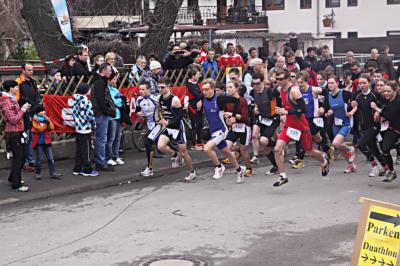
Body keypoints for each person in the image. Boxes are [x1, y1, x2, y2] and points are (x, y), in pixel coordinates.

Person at [273, 69, 329, 187]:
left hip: (301, 125)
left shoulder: (294, 91)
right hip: (289, 125)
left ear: (288, 79)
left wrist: (286, 111)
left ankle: (324, 161)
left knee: (310, 151)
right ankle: (283, 176)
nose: (278, 81)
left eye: (281, 79)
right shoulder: (279, 89)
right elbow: (275, 100)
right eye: (277, 79)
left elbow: (303, 109)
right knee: (278, 149)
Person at [199, 78, 246, 183]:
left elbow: (237, 101)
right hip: (212, 131)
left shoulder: (220, 99)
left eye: (206, 89)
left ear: (212, 89)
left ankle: (219, 167)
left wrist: (233, 115)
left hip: (221, 130)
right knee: (227, 152)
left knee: (207, 149)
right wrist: (198, 108)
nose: (204, 92)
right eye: (203, 90)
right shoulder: (203, 98)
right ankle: (239, 169)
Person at [154, 77, 196, 181]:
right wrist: (159, 119)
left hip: (178, 127)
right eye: (159, 87)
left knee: (184, 153)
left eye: (162, 87)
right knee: (160, 146)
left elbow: (180, 116)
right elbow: (159, 110)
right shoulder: (159, 98)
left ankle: (191, 172)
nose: (160, 89)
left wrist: (169, 122)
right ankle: (176, 155)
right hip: (168, 127)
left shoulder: (175, 99)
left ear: (168, 87)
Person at [351, 74, 387, 177]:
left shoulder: (375, 95)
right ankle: (386, 168)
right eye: (360, 83)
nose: (361, 85)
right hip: (363, 126)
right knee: (374, 150)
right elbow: (350, 106)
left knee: (360, 144)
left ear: (369, 83)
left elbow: (385, 106)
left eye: (364, 83)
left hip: (374, 126)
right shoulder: (357, 95)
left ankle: (374, 165)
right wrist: (352, 105)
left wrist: (377, 111)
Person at [1, 80, 31, 192]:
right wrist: (23, 109)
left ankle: (13, 178)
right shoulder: (7, 101)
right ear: (10, 89)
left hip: (18, 132)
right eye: (15, 87)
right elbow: (13, 119)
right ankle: (16, 184)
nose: (17, 89)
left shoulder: (11, 99)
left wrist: (23, 108)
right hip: (13, 133)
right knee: (18, 159)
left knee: (21, 157)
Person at [324, 76, 357, 173]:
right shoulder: (328, 96)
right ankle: (351, 165)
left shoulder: (345, 93)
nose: (330, 85)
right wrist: (327, 113)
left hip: (346, 123)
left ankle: (350, 148)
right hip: (335, 124)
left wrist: (351, 112)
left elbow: (355, 103)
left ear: (337, 83)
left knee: (335, 143)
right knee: (339, 147)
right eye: (329, 83)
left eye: (332, 83)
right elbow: (326, 111)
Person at [249, 73, 280, 175]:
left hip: (273, 118)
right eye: (253, 84)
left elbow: (281, 95)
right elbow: (256, 103)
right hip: (262, 117)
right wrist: (256, 108)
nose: (255, 86)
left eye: (257, 83)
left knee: (263, 140)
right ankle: (276, 166)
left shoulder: (270, 91)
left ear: (262, 82)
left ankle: (279, 145)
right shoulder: (253, 92)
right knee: (264, 147)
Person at [370, 81, 400, 182]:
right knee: (385, 148)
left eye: (389, 91)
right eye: (385, 91)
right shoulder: (387, 100)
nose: (386, 93)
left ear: (395, 91)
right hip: (393, 129)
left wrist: (376, 109)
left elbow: (390, 115)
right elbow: (386, 109)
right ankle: (391, 172)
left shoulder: (398, 101)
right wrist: (381, 116)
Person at [91, 63, 116, 171]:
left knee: (100, 139)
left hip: (100, 113)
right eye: (109, 70)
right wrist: (108, 111)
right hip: (100, 113)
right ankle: (101, 162)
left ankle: (100, 161)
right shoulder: (100, 82)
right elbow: (101, 99)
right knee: (101, 139)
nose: (111, 72)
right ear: (104, 71)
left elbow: (113, 73)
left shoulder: (99, 80)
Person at [224, 81, 253, 177]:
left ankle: (248, 168)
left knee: (243, 149)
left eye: (231, 87)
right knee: (226, 147)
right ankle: (239, 168)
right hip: (234, 127)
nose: (228, 89)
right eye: (228, 87)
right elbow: (226, 114)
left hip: (244, 127)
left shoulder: (242, 100)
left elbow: (245, 117)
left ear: (236, 89)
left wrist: (233, 116)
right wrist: (228, 121)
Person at [16, 62, 39, 172]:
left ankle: (31, 160)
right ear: (23, 70)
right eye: (29, 70)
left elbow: (36, 98)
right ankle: (24, 163)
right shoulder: (18, 83)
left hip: (32, 113)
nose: (31, 71)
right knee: (24, 138)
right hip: (23, 115)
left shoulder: (33, 82)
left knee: (29, 138)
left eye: (32, 69)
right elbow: (16, 101)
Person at [72, 83, 98, 177]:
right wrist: (94, 125)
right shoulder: (86, 101)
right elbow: (90, 115)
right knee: (86, 150)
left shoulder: (75, 100)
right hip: (85, 129)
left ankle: (77, 169)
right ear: (86, 91)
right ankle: (87, 170)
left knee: (79, 150)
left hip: (78, 128)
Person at [31, 105, 62, 180]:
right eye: (42, 111)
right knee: (39, 160)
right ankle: (37, 174)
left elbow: (52, 127)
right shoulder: (35, 120)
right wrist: (46, 124)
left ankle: (53, 173)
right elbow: (39, 129)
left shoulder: (46, 118)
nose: (44, 112)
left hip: (47, 141)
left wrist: (48, 122)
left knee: (51, 158)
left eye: (44, 110)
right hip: (39, 142)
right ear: (38, 112)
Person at [136, 82, 159, 177]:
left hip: (158, 125)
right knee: (149, 144)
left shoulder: (155, 99)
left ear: (149, 90)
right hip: (149, 126)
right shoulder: (139, 99)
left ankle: (176, 155)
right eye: (140, 89)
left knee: (162, 145)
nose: (141, 91)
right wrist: (138, 113)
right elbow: (137, 110)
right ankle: (150, 168)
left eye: (143, 89)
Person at [106, 73, 125, 166]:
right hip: (111, 117)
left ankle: (115, 156)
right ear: (108, 80)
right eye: (113, 79)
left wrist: (119, 101)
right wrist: (119, 101)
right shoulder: (107, 90)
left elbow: (122, 101)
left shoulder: (115, 89)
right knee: (111, 138)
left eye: (115, 79)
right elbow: (115, 102)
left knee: (118, 137)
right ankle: (109, 157)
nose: (115, 81)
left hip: (119, 116)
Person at [186, 68, 204, 150]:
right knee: (194, 125)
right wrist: (203, 93)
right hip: (193, 106)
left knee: (200, 124)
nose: (199, 76)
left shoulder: (196, 84)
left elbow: (199, 94)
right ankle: (193, 143)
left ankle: (200, 141)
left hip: (199, 105)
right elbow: (197, 95)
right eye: (197, 74)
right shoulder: (189, 85)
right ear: (193, 76)